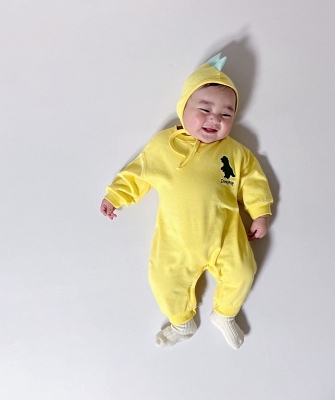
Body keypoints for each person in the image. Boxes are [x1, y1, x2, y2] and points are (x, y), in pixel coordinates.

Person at [100, 54, 273, 349]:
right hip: (176, 240)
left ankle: (225, 314)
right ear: (183, 107)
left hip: (225, 237)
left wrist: (260, 212)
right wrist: (116, 195)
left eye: (227, 114)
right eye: (205, 109)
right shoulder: (163, 147)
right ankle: (182, 322)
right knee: (163, 280)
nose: (215, 119)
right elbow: (139, 172)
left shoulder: (235, 153)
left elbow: (253, 181)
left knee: (243, 272)